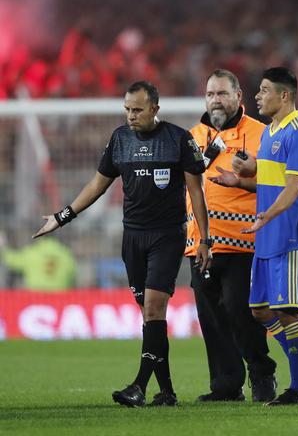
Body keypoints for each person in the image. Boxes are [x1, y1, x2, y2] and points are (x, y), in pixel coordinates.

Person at [33, 81, 212, 407]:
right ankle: (167, 393)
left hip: (167, 236)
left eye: (138, 110)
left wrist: (205, 239)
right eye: (128, 109)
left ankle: (139, 386)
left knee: (155, 307)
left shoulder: (178, 139)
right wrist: (62, 216)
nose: (131, 116)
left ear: (155, 108)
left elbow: (196, 191)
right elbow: (97, 184)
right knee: (150, 317)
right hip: (132, 238)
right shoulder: (120, 139)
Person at [210, 67, 298, 406]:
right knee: (260, 310)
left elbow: (293, 188)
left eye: (263, 90)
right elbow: (271, 180)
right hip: (267, 234)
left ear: (284, 95)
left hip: (288, 233)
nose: (258, 96)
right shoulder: (272, 132)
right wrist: (241, 180)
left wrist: (266, 216)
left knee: (289, 312)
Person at [185, 69, 277, 403]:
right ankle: (226, 385)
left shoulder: (261, 134)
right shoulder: (194, 136)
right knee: (211, 317)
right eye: (210, 94)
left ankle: (261, 372)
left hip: (244, 241)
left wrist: (243, 181)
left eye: (222, 93)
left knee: (241, 310)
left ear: (238, 96)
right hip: (203, 243)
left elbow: (279, 184)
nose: (215, 100)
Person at [1, 237, 76, 291]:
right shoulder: (65, 254)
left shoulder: (33, 252)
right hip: (59, 299)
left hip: (36, 297)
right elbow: (72, 277)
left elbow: (12, 260)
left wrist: (3, 247)